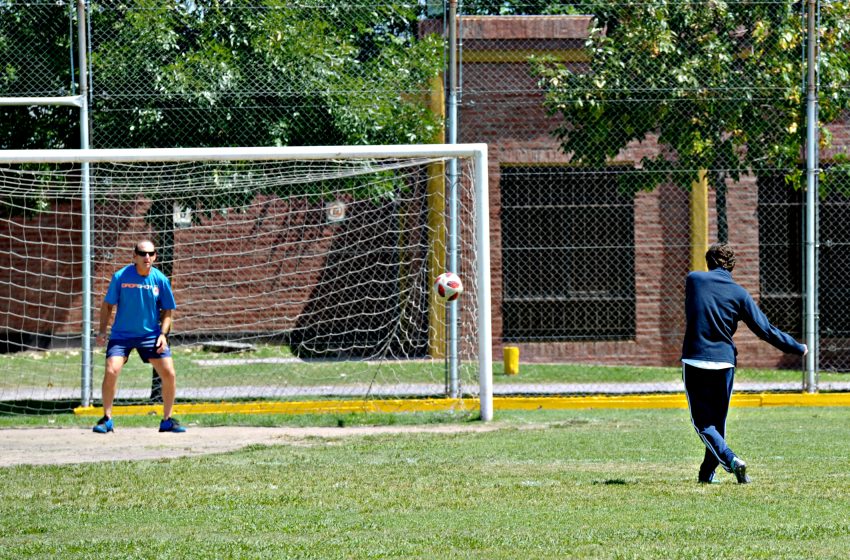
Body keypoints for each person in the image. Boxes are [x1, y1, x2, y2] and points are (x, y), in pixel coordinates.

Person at [681, 243, 806, 484]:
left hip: (695, 359)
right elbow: (765, 330)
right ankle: (706, 475)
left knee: (702, 422)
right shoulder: (739, 294)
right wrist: (797, 347)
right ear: (732, 266)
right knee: (717, 422)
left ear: (709, 263)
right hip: (725, 363)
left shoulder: (694, 280)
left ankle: (730, 459)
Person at [92, 239, 186, 433]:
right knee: (111, 370)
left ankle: (167, 420)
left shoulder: (160, 279)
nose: (147, 257)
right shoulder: (120, 276)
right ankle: (107, 419)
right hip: (122, 335)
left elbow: (168, 310)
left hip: (150, 335)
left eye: (151, 254)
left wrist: (163, 334)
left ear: (155, 257)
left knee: (169, 373)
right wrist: (102, 331)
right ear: (134, 256)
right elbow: (107, 305)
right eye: (142, 253)